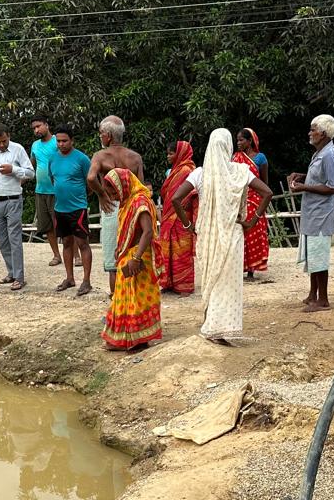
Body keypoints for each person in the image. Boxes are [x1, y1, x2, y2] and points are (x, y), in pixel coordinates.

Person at [172, 128, 271, 344]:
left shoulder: (200, 173)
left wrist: (189, 224)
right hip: (232, 232)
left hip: (207, 234)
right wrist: (252, 221)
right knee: (228, 282)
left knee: (211, 279)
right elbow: (267, 193)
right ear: (227, 147)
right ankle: (221, 329)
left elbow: (176, 199)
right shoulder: (240, 171)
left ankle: (210, 324)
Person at [101, 168, 162, 351]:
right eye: (110, 191)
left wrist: (135, 259)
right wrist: (120, 250)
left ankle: (138, 338)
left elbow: (148, 231)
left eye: (113, 190)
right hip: (128, 254)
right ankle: (126, 337)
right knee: (123, 296)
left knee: (137, 297)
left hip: (139, 255)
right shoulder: (128, 201)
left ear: (124, 185)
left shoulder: (140, 201)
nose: (112, 195)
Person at [289, 114, 334, 313]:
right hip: (313, 212)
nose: (310, 133)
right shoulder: (320, 152)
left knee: (319, 257)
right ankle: (313, 294)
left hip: (322, 214)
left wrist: (305, 187)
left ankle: (323, 300)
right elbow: (320, 177)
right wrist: (302, 176)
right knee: (313, 255)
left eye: (313, 129)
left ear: (324, 133)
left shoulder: (329, 154)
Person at [87, 116, 144, 296]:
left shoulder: (100, 156)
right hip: (132, 208)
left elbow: (90, 178)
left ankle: (116, 308)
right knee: (131, 255)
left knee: (113, 262)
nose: (100, 137)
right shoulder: (135, 158)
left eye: (101, 134)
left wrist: (102, 195)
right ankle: (132, 306)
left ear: (108, 136)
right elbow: (141, 188)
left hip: (111, 208)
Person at [0, 123, 34, 290]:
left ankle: (19, 276)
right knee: (3, 239)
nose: (1, 145)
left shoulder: (18, 149)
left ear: (9, 136)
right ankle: (11, 272)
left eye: (4, 141)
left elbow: (31, 172)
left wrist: (14, 170)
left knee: (14, 238)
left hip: (13, 199)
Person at [47, 125, 94, 296]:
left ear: (72, 140)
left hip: (78, 208)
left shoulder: (82, 159)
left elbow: (90, 182)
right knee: (66, 243)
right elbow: (54, 180)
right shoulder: (52, 159)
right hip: (60, 208)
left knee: (82, 243)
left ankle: (86, 281)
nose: (61, 144)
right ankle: (69, 278)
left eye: (64, 141)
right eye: (58, 141)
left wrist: (79, 197)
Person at [155, 140, 197, 295]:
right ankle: (168, 283)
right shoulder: (174, 170)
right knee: (168, 248)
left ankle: (184, 285)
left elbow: (191, 194)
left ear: (180, 154)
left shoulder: (187, 170)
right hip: (169, 215)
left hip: (182, 216)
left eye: (171, 153)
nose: (168, 156)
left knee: (181, 250)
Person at [234, 128, 270, 279]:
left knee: (252, 233)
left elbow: (264, 183)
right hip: (239, 200)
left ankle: (251, 270)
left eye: (241, 140)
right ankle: (239, 267)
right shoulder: (235, 158)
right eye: (237, 140)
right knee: (239, 233)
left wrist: (262, 202)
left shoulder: (260, 158)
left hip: (255, 200)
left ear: (250, 141)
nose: (238, 143)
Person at [30, 116, 64, 267]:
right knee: (47, 226)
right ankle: (56, 255)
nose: (36, 130)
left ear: (46, 125)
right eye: (34, 128)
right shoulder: (35, 146)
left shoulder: (58, 141)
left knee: (64, 224)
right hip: (40, 190)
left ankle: (76, 256)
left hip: (58, 191)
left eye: (38, 126)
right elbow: (31, 165)